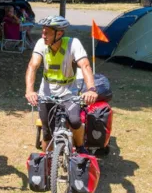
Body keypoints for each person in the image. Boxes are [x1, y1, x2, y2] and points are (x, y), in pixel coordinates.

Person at [25, 16, 98, 152]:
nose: (43, 35)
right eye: (43, 31)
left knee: (75, 121)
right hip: (47, 93)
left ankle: (80, 146)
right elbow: (32, 66)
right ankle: (47, 162)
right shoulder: (41, 44)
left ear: (59, 33)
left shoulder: (73, 44)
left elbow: (85, 66)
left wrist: (91, 89)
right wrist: (30, 90)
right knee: (47, 131)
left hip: (68, 92)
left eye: (47, 32)